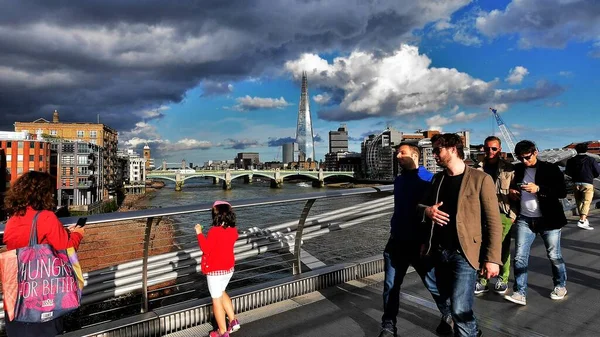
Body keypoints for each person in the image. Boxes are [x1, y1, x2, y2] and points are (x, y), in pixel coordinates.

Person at [419, 133, 502, 337]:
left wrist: (492, 259)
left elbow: (493, 221)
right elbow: (421, 205)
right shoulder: (437, 179)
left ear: (453, 150)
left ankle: (467, 332)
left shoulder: (481, 179)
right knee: (446, 298)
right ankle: (471, 331)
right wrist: (427, 211)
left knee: (459, 309)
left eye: (438, 150)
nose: (435, 155)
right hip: (438, 251)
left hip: (464, 253)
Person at [378, 143, 452, 337]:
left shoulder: (431, 180)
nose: (397, 156)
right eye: (396, 153)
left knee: (433, 284)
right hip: (396, 241)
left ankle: (448, 315)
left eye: (402, 153)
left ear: (415, 155)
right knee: (390, 286)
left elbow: (437, 214)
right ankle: (388, 326)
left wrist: (428, 242)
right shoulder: (399, 180)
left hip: (420, 244)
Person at [2, 171, 85, 337]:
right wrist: (78, 234)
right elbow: (67, 249)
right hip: (43, 297)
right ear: (44, 194)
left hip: (17, 298)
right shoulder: (47, 217)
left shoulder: (13, 219)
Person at [504, 140, 568, 306]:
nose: (525, 161)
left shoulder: (550, 168)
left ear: (535, 152)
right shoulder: (518, 169)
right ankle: (519, 293)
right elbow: (511, 186)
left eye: (527, 157)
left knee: (554, 256)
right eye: (521, 158)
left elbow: (561, 192)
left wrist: (539, 189)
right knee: (519, 257)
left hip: (549, 220)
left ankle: (560, 286)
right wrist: (512, 191)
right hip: (525, 219)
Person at [474, 136, 517, 295]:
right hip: (481, 213)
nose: (490, 151)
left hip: (502, 213)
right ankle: (483, 278)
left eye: (493, 148)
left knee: (501, 247)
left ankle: (502, 278)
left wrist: (512, 215)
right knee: (481, 245)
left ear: (500, 149)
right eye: (487, 148)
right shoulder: (477, 168)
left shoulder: (509, 168)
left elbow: (516, 192)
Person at [196, 200, 240, 337]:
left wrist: (199, 233)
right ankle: (233, 321)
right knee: (221, 292)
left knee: (216, 299)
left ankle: (222, 331)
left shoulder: (214, 231)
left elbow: (206, 249)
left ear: (216, 215)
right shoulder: (234, 231)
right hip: (228, 269)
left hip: (215, 271)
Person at [565, 142, 600, 230]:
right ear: (586, 150)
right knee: (587, 202)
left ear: (576, 150)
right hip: (587, 182)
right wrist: (592, 176)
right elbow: (597, 171)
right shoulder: (591, 160)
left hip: (576, 183)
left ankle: (584, 220)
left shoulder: (571, 160)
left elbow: (567, 172)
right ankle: (582, 220)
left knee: (579, 201)